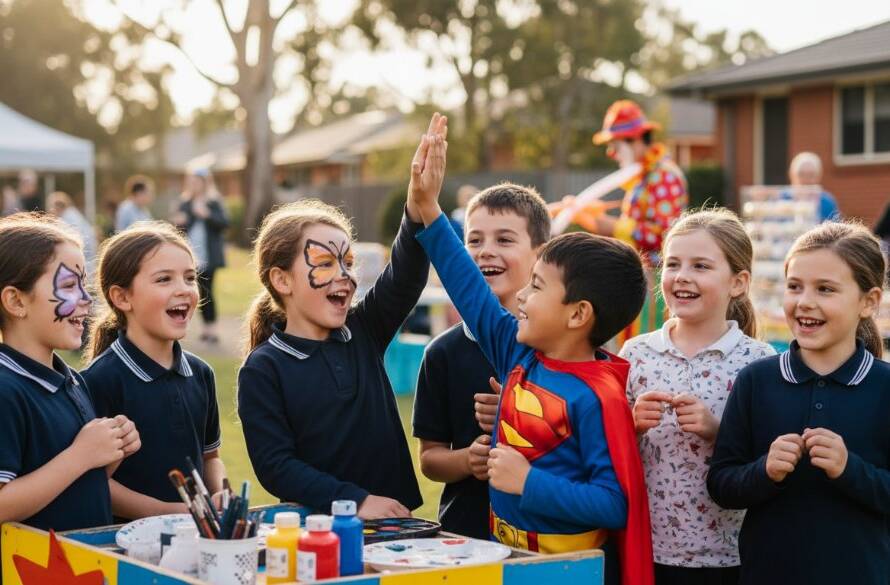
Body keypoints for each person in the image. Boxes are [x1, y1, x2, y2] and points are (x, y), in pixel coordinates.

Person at [412, 120, 654, 585]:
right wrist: (427, 209)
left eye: (538, 287)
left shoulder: (598, 396)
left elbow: (614, 503)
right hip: (502, 558)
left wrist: (528, 482)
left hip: (566, 571)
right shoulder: (516, 354)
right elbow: (469, 290)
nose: (522, 297)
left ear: (578, 314)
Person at [237, 114, 447, 519]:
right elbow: (276, 466)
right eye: (323, 262)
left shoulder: (362, 331)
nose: (345, 276)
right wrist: (357, 502)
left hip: (394, 522)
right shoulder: (263, 369)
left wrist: (417, 206)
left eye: (348, 262)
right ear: (281, 279)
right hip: (320, 531)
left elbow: (404, 277)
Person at [707, 222, 889, 585]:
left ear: (868, 302)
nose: (804, 301)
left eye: (825, 289)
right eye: (795, 287)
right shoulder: (756, 381)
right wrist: (764, 471)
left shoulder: (885, 387)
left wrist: (849, 469)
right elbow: (721, 484)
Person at [620, 209, 775, 585]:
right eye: (673, 264)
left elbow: (770, 460)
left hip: (730, 555)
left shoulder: (759, 361)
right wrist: (632, 426)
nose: (682, 276)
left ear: (738, 283)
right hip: (645, 549)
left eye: (701, 266)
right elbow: (606, 452)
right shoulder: (634, 354)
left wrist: (717, 430)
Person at [413, 183, 550, 540]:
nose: (486, 252)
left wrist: (518, 412)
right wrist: (467, 461)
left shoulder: (560, 347)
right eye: (473, 241)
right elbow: (430, 458)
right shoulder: (441, 353)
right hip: (465, 536)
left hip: (544, 538)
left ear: (541, 253)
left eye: (504, 240)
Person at [0, 213, 139, 531]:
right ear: (16, 300)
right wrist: (81, 455)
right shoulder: (5, 390)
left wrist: (107, 453)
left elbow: (66, 485)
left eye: (83, 285)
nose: (86, 299)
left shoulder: (72, 380)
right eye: (67, 286)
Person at [81, 222, 226, 520]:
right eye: (164, 279)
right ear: (122, 297)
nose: (183, 290)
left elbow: (210, 457)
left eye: (189, 278)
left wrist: (222, 492)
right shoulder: (99, 381)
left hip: (196, 536)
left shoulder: (202, 374)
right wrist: (169, 513)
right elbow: (93, 483)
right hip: (126, 548)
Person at [553, 100, 687, 344]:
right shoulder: (644, 177)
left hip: (657, 285)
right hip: (640, 280)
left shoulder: (664, 175)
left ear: (634, 140)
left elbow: (666, 235)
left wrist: (607, 224)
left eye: (614, 145)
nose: (611, 153)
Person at [172, 169, 228, 344]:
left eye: (198, 182)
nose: (195, 185)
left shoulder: (213, 202)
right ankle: (199, 327)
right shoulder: (185, 202)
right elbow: (178, 230)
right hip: (189, 257)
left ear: (205, 183)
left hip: (208, 256)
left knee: (208, 290)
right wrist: (179, 221)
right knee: (195, 292)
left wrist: (207, 215)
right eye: (192, 182)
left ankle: (211, 329)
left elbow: (224, 224)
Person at [781, 152, 840, 223]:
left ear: (818, 177)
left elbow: (836, 229)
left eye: (811, 175)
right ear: (791, 175)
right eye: (801, 174)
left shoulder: (827, 201)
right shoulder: (782, 199)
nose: (806, 179)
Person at [47, 191, 98, 271]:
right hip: (87, 260)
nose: (50, 211)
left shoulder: (67, 219)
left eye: (50, 207)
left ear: (57, 207)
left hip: (84, 261)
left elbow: (66, 243)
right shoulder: (72, 214)